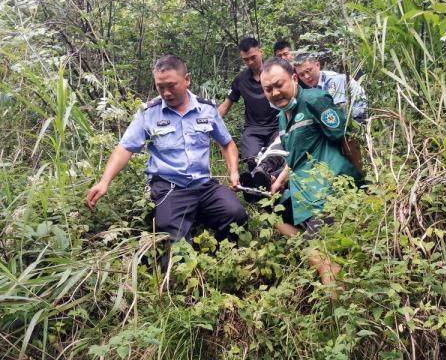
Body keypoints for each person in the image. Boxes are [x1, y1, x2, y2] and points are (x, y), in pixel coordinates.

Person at [86, 54, 248, 266]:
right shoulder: (149, 113)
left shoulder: (206, 109)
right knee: (173, 245)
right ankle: (186, 272)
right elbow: (125, 148)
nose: (166, 93)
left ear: (187, 79)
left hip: (204, 186)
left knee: (237, 215)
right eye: (160, 87)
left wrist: (233, 171)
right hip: (170, 188)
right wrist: (104, 181)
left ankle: (217, 259)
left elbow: (227, 144)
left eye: (171, 86)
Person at [259, 57, 363, 287]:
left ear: (294, 78)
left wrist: (362, 179)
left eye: (279, 85)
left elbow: (348, 137)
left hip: (326, 189)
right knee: (269, 216)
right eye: (268, 89)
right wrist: (279, 182)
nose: (275, 93)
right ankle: (313, 249)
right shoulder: (281, 117)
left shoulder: (314, 100)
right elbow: (296, 156)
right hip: (302, 193)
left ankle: (337, 313)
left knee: (323, 261)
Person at [218, 37, 284, 194]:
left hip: (276, 126)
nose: (250, 62)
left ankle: (271, 186)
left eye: (253, 57)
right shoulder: (241, 80)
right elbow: (225, 106)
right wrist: (206, 122)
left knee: (274, 155)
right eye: (245, 60)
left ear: (261, 52)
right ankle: (259, 191)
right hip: (253, 129)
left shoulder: (275, 72)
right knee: (252, 159)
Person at [293, 52, 367, 123]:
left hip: (359, 117)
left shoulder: (333, 80)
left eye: (308, 71)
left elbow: (338, 111)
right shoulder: (313, 87)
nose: (307, 76)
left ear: (317, 65)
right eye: (301, 75)